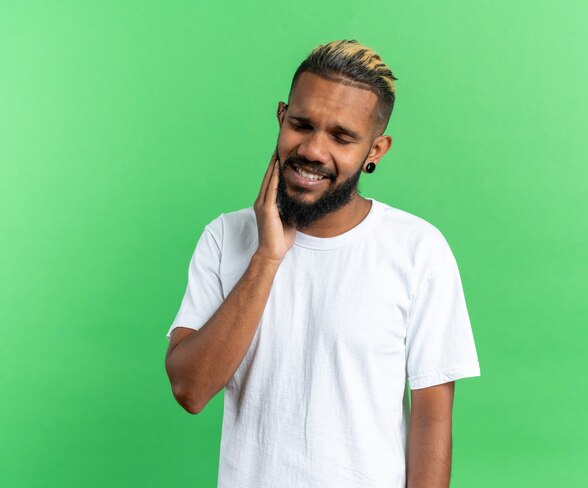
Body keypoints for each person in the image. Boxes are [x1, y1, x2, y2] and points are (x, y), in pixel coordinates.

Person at [164, 39, 481, 488]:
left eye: (342, 136)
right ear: (281, 117)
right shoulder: (224, 237)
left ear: (376, 150)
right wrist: (268, 256)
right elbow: (190, 390)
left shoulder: (418, 250)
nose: (313, 149)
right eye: (301, 124)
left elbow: (432, 417)